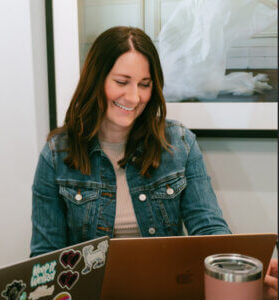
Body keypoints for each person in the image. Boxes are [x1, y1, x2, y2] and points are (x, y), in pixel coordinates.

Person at [29, 26, 277, 298]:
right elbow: (45, 260)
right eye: (122, 82)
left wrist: (240, 278)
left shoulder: (180, 144)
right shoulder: (56, 155)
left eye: (144, 84)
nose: (134, 97)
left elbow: (209, 230)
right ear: (96, 80)